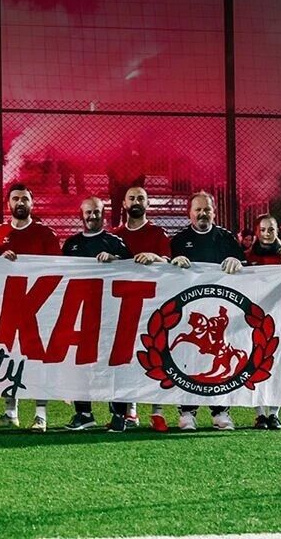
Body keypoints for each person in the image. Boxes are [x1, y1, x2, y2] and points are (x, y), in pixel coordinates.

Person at [169, 191, 245, 432]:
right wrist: (173, 263)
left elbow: (247, 271)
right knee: (188, 358)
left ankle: (220, 411)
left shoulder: (226, 238)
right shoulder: (178, 240)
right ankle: (187, 412)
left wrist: (238, 263)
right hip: (190, 311)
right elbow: (163, 273)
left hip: (219, 309)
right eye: (198, 209)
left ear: (214, 212)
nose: (203, 213)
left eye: (207, 209)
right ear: (189, 213)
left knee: (219, 358)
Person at [0, 184, 61, 431]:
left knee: (38, 359)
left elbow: (59, 268)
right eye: (15, 199)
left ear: (32, 203)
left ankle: (40, 415)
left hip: (39, 306)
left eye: (24, 199)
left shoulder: (45, 234)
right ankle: (11, 412)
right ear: (8, 203)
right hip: (7, 305)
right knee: (9, 358)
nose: (20, 203)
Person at [60, 197, 132, 432]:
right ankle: (83, 413)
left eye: (97, 212)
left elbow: (133, 270)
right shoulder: (71, 244)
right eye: (88, 212)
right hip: (80, 312)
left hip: (110, 313)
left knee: (114, 362)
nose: (92, 216)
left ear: (104, 214)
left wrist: (115, 261)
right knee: (79, 363)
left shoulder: (114, 242)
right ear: (81, 215)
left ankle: (119, 414)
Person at [111, 185, 171, 431]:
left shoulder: (158, 233)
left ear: (147, 203)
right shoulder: (114, 235)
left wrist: (154, 258)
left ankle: (157, 411)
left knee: (156, 354)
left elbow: (169, 263)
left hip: (153, 304)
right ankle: (129, 410)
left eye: (141, 198)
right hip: (122, 306)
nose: (136, 201)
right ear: (124, 204)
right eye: (132, 198)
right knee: (124, 357)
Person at [242, 214, 281, 431]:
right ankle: (259, 414)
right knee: (253, 362)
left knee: (278, 363)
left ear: (277, 231)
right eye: (263, 229)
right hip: (253, 320)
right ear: (257, 232)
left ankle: (274, 413)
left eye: (271, 229)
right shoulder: (247, 257)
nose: (267, 234)